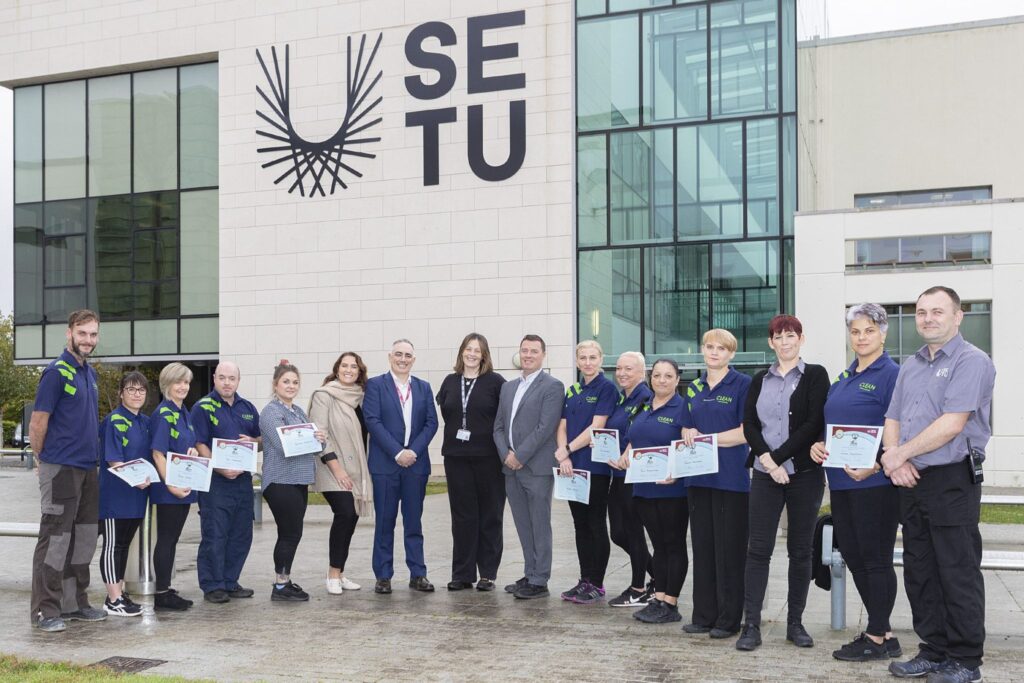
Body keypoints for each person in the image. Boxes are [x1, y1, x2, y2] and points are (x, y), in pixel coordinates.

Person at [882, 287, 995, 683]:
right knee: (920, 569)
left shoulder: (972, 361)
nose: (928, 318)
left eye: (938, 311)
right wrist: (894, 456)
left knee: (956, 570)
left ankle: (965, 660)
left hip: (951, 479)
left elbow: (952, 424)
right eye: (921, 312)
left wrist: (897, 456)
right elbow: (893, 416)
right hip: (910, 478)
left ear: (958, 316)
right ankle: (933, 650)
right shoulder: (910, 366)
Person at [809, 304, 902, 662]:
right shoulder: (844, 376)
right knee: (853, 555)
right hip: (842, 483)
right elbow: (833, 423)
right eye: (855, 332)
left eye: (869, 331)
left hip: (874, 484)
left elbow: (901, 425)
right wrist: (820, 443)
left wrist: (877, 464)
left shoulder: (892, 374)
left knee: (875, 558)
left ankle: (878, 636)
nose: (861, 338)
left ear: (883, 333)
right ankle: (883, 632)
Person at [736, 314, 829, 651]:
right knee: (758, 550)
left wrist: (778, 459)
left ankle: (795, 623)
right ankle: (751, 625)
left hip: (804, 475)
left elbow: (812, 422)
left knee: (800, 550)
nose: (785, 341)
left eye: (791, 335)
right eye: (779, 336)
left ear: (801, 339)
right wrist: (766, 460)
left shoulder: (816, 375)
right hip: (764, 476)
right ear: (770, 342)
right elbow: (748, 424)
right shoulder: (759, 379)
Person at [29, 309, 105, 632]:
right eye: (83, 333)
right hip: (61, 468)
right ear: (69, 333)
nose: (88, 340)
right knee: (55, 538)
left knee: (84, 538)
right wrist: (42, 459)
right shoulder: (56, 372)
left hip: (88, 469)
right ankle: (45, 610)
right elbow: (38, 422)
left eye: (93, 334)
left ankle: (74, 603)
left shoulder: (89, 374)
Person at [680, 329, 752, 639]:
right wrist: (686, 432)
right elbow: (686, 425)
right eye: (709, 347)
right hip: (698, 478)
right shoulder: (693, 387)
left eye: (721, 348)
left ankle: (728, 620)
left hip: (730, 480)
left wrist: (707, 440)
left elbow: (746, 432)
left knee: (730, 551)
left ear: (731, 354)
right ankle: (704, 615)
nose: (714, 352)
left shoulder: (743, 385)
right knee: (704, 549)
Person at [363, 339, 439, 594]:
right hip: (386, 465)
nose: (403, 359)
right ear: (390, 356)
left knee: (414, 522)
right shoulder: (375, 385)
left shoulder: (424, 387)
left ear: (413, 359)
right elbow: (372, 420)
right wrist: (397, 452)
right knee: (385, 521)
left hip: (416, 466)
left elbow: (431, 423)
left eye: (408, 355)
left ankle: (418, 573)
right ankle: (383, 575)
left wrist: (413, 451)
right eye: (398, 354)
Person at [493, 334, 564, 600]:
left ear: (543, 355)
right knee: (523, 524)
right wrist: (506, 455)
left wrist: (520, 455)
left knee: (539, 524)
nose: (528, 355)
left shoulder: (552, 386)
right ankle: (529, 572)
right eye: (524, 350)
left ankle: (540, 579)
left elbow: (545, 428)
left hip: (536, 468)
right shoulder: (508, 387)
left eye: (534, 351)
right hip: (510, 468)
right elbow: (498, 426)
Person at [435, 333, 506, 591]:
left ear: (484, 354)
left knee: (490, 515)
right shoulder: (450, 381)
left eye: (478, 350)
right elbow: (447, 411)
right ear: (461, 352)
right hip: (456, 458)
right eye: (468, 349)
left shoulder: (496, 382)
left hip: (488, 458)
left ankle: (487, 574)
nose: (472, 354)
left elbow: (503, 418)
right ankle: (462, 574)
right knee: (463, 517)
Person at [191, 361, 262, 604]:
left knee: (241, 534)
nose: (227, 382)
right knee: (215, 533)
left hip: (242, 482)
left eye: (232, 378)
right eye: (222, 377)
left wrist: (255, 440)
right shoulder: (203, 407)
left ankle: (230, 581)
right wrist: (219, 467)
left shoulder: (247, 407)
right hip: (215, 483)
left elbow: (259, 439)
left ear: (238, 380)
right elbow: (200, 443)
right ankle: (213, 585)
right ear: (214, 378)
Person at [626, 359, 688, 625]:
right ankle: (659, 597)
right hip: (643, 487)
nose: (662, 380)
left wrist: (676, 471)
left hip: (672, 490)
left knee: (673, 545)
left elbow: (689, 444)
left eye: (668, 376)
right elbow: (635, 439)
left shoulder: (684, 408)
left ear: (677, 380)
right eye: (658, 375)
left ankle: (670, 603)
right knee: (658, 545)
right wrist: (625, 454)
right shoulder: (644, 406)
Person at [557, 340, 618, 604]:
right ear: (577, 360)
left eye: (593, 357)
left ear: (601, 359)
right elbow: (562, 424)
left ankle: (597, 583)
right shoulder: (572, 390)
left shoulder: (607, 388)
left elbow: (597, 426)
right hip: (571, 467)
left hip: (595, 468)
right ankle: (584, 580)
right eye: (583, 357)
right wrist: (564, 454)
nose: (588, 362)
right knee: (579, 525)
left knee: (595, 524)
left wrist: (568, 448)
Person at [260, 361, 326, 602]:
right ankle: (280, 586)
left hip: (299, 481)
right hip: (280, 481)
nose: (291, 386)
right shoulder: (270, 412)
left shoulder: (297, 411)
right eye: (286, 381)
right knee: (289, 533)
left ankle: (285, 580)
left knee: (293, 533)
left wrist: (320, 438)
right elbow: (284, 445)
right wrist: (311, 438)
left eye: (295, 382)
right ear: (275, 384)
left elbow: (317, 446)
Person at [308, 352, 372, 596]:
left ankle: (340, 571)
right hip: (331, 466)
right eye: (344, 366)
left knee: (351, 518)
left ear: (359, 370)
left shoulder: (361, 397)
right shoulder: (325, 395)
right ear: (336, 369)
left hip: (356, 468)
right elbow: (319, 434)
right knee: (344, 513)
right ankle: (333, 573)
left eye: (353, 366)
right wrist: (338, 469)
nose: (348, 370)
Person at [98, 371, 152, 617]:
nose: (136, 394)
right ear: (121, 394)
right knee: (113, 546)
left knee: (124, 546)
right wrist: (137, 479)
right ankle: (112, 599)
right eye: (131, 389)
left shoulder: (145, 422)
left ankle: (119, 594)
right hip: (115, 496)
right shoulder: (114, 420)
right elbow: (114, 460)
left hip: (137, 497)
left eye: (141, 390)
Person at [605, 351, 655, 607]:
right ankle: (659, 574)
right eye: (619, 368)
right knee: (618, 534)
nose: (623, 373)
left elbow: (642, 428)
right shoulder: (621, 398)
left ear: (642, 372)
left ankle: (638, 588)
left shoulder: (646, 396)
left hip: (633, 475)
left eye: (629, 369)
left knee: (633, 533)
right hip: (617, 474)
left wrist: (628, 452)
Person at [149, 362, 199, 611]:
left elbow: (180, 446)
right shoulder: (163, 414)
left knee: (173, 539)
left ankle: (166, 586)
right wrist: (171, 486)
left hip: (183, 485)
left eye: (186, 382)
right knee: (167, 539)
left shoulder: (183, 412)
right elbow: (158, 454)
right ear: (167, 384)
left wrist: (190, 452)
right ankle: (162, 593)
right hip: (170, 489)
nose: (183, 386)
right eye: (178, 382)